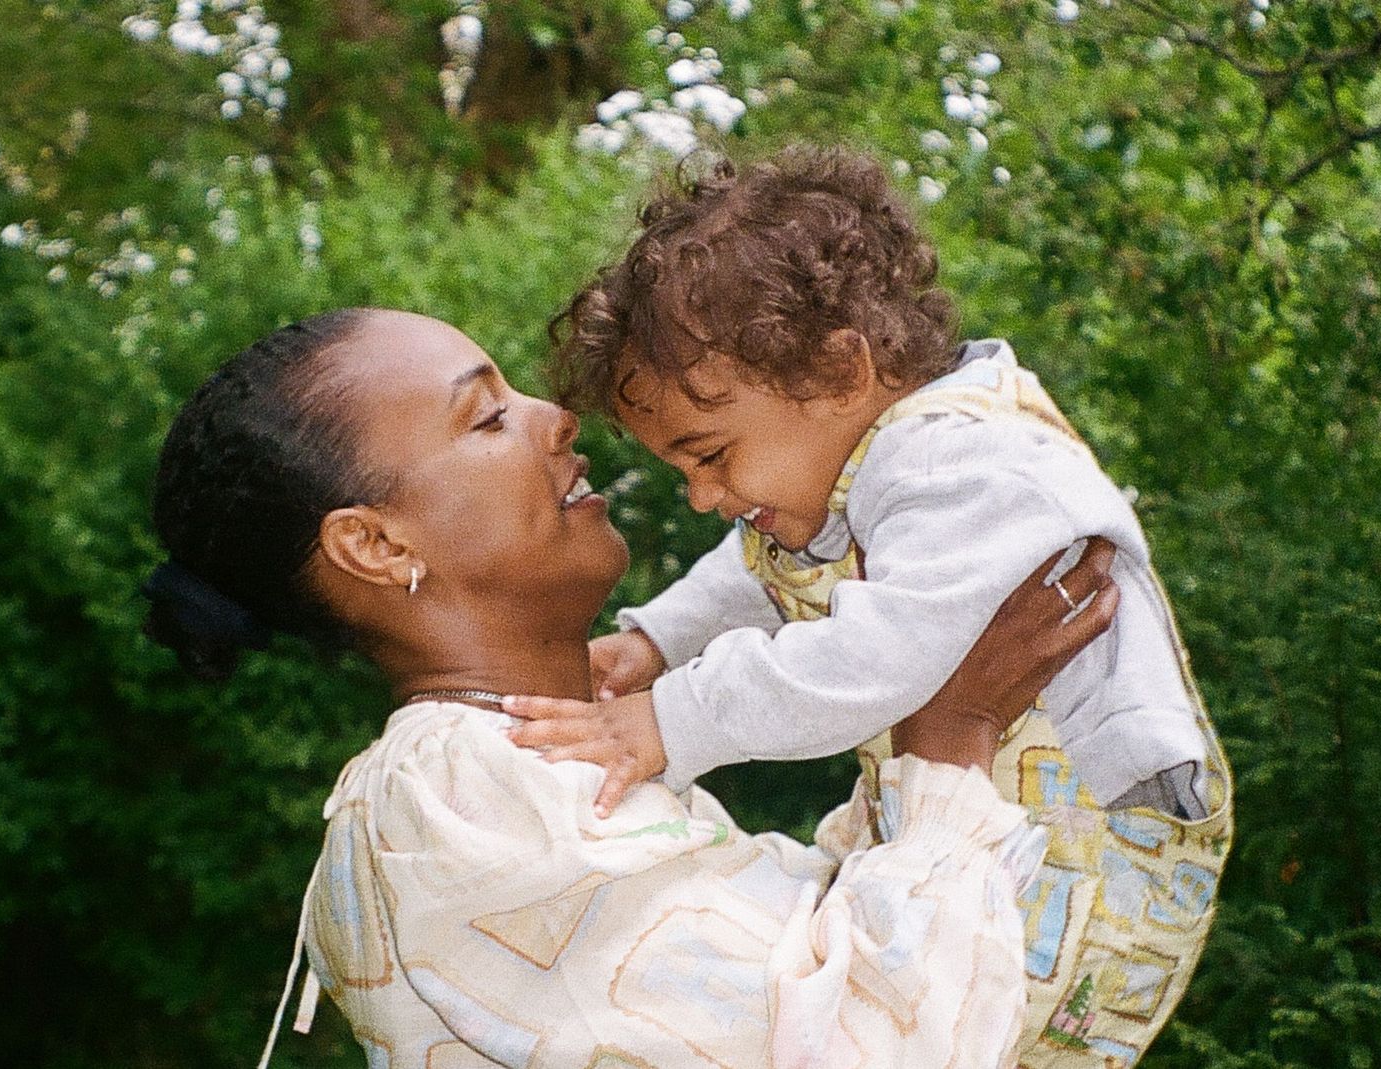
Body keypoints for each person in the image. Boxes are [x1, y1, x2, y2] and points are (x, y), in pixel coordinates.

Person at [141, 308, 1124, 1068]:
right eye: (486, 415)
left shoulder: (519, 768)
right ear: (375, 544)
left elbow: (799, 972)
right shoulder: (455, 799)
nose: (556, 416)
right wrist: (949, 740)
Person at [527, 146, 1235, 1066]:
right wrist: (656, 639)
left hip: (1095, 857)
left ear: (841, 370)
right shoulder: (859, 470)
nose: (702, 494)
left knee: (937, 1026)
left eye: (711, 454)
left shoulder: (961, 460)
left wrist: (670, 720)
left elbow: (873, 661)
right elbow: (760, 567)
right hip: (998, 824)